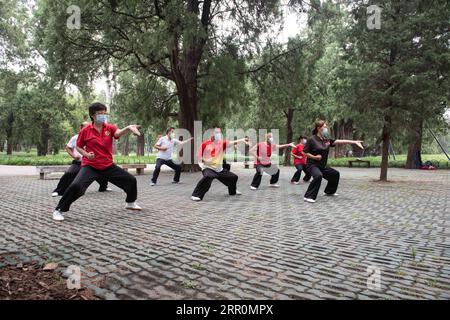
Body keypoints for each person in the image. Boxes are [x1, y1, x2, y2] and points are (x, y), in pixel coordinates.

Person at [52, 103, 143, 221]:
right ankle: (59, 210)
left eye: (104, 113)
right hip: (91, 166)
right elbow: (79, 146)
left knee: (130, 180)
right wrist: (85, 154)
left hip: (107, 165)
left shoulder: (109, 128)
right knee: (76, 186)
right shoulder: (85, 131)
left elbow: (117, 133)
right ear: (93, 115)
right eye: (100, 113)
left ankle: (130, 202)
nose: (103, 115)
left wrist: (129, 128)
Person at [303, 120, 364, 203]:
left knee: (335, 174)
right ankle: (308, 196)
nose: (326, 129)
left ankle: (329, 191)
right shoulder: (312, 139)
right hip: (312, 165)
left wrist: (354, 142)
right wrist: (314, 157)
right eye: (324, 127)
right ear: (318, 128)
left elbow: (339, 141)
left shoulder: (326, 139)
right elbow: (304, 152)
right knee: (318, 176)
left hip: (322, 165)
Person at [52, 122, 111, 197]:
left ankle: (103, 187)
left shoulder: (94, 136)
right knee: (69, 173)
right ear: (81, 128)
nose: (88, 129)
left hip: (92, 162)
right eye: (85, 127)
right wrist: (74, 156)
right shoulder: (75, 137)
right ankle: (58, 191)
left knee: (102, 174)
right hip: (79, 162)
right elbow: (68, 147)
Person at [191, 126, 249, 201]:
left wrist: (242, 140)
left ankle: (232, 191)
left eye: (219, 132)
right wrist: (205, 160)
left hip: (219, 169)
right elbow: (198, 157)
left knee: (233, 177)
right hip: (208, 168)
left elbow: (232, 142)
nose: (218, 134)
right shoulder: (205, 144)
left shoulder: (222, 142)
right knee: (209, 176)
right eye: (216, 132)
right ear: (212, 133)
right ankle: (195, 195)